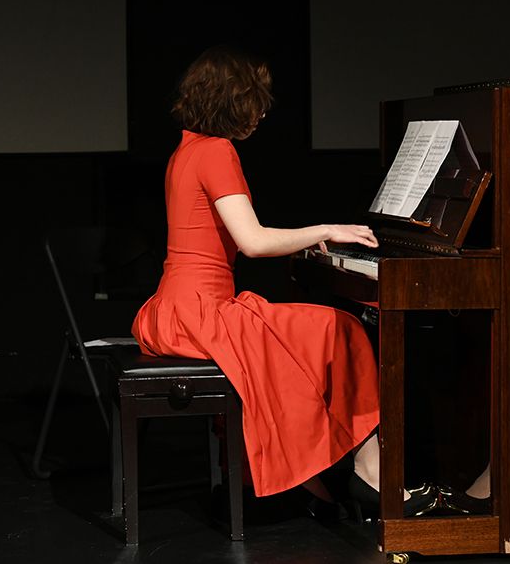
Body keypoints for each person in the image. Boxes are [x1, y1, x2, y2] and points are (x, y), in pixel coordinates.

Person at [131, 46, 436, 518]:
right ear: (231, 101)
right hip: (201, 313)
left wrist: (304, 241)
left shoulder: (186, 149)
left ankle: (317, 477)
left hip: (175, 308)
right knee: (342, 330)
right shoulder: (216, 151)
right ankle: (367, 473)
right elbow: (252, 242)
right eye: (254, 100)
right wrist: (326, 230)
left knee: (300, 341)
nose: (262, 111)